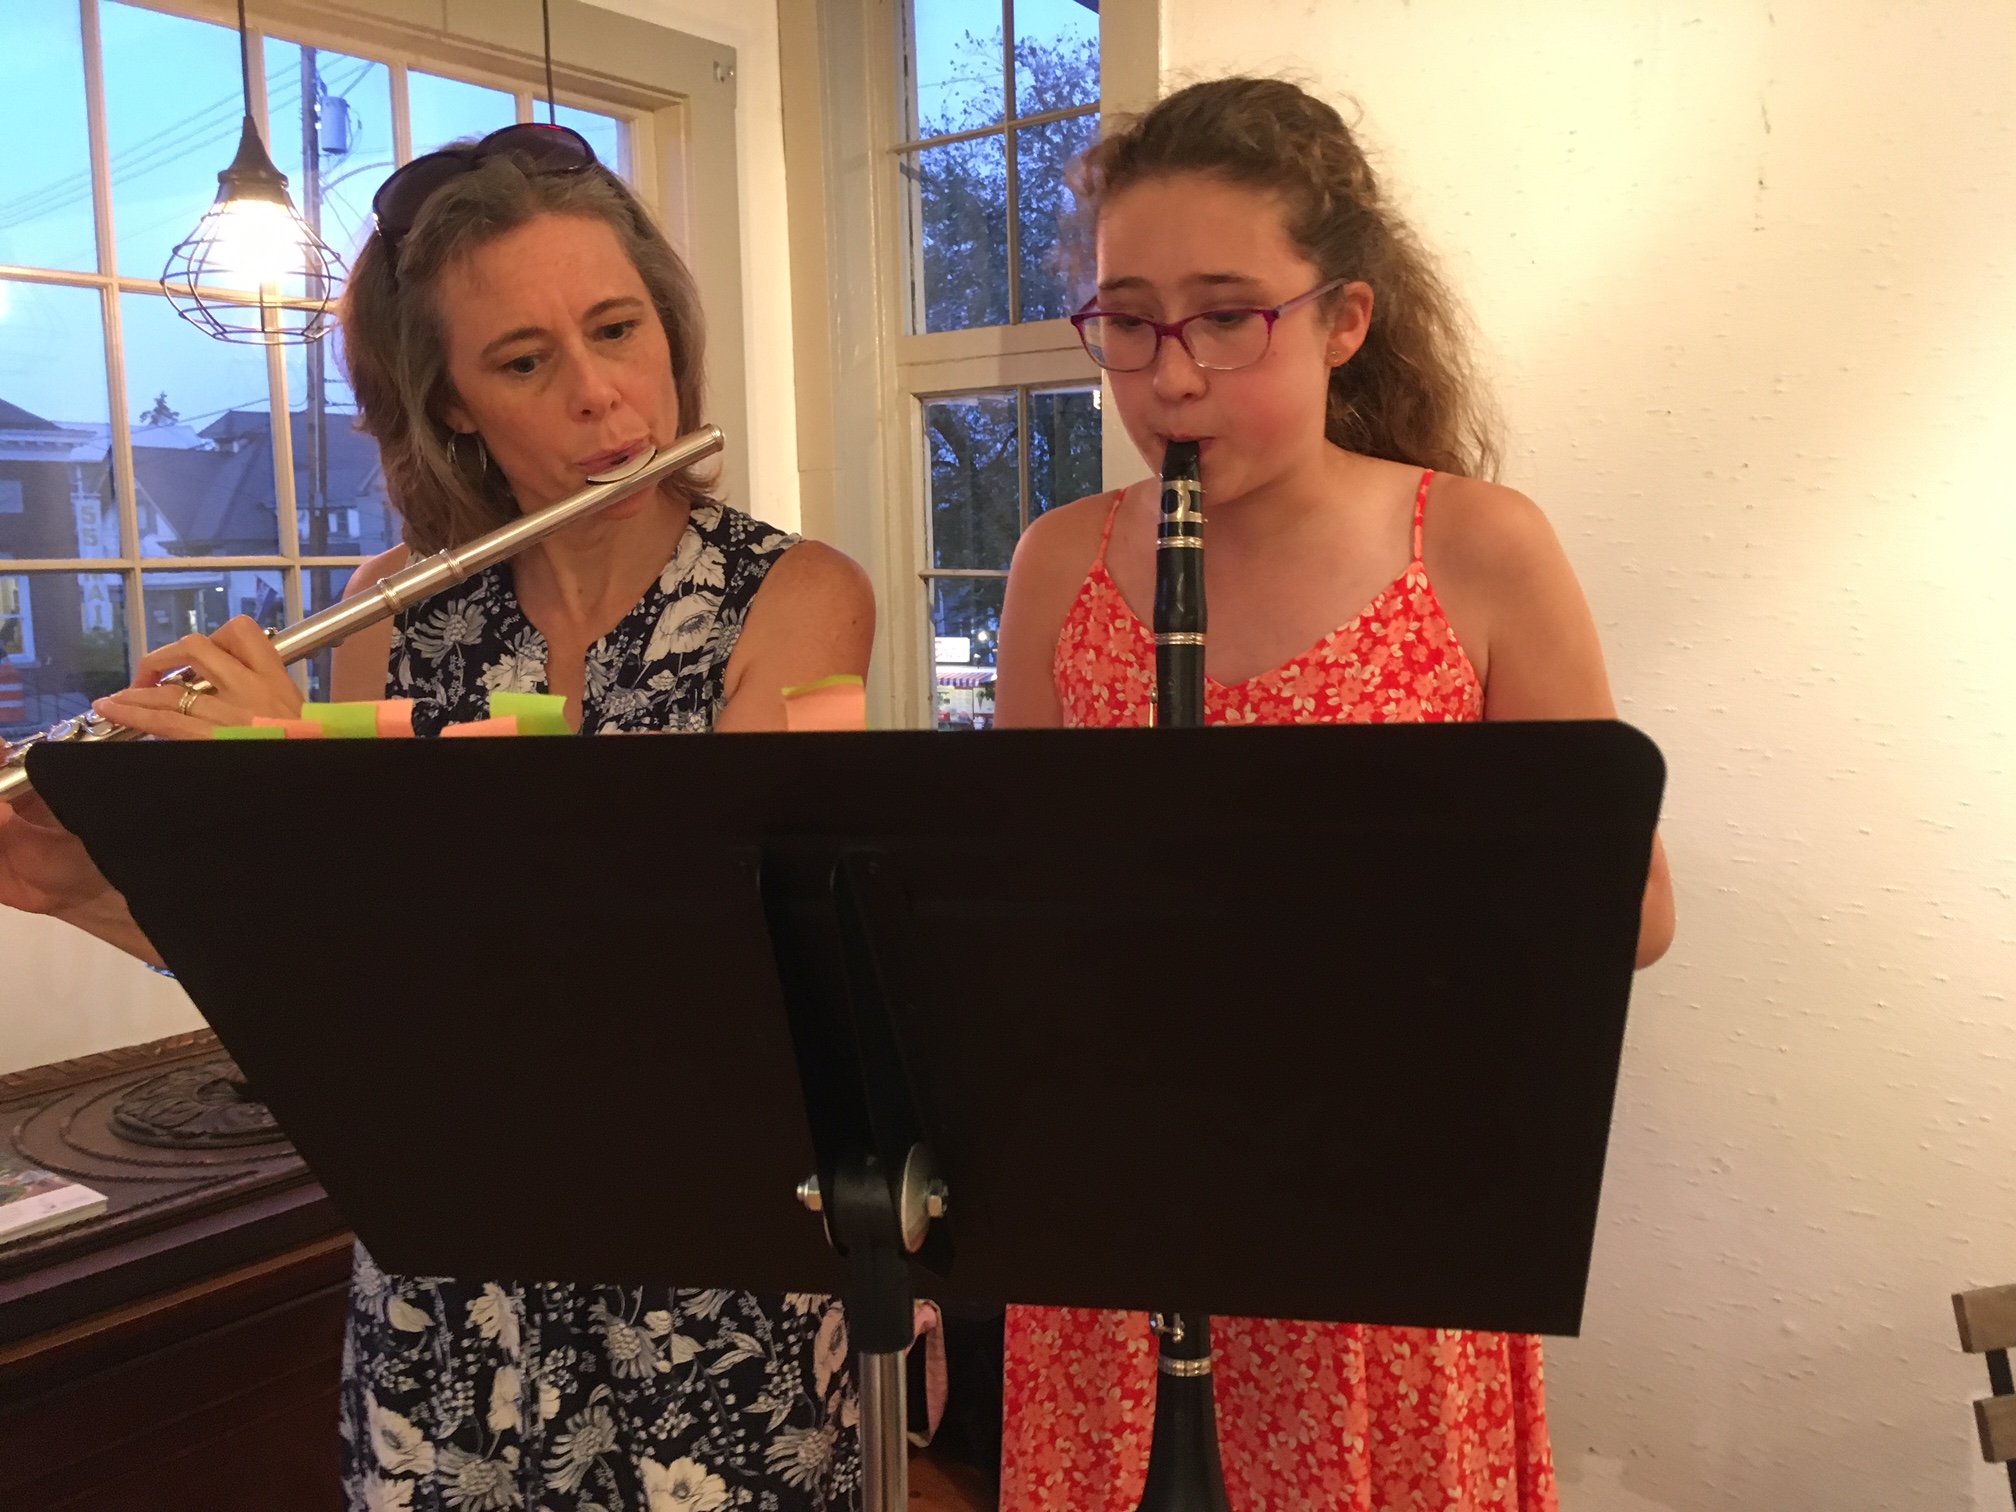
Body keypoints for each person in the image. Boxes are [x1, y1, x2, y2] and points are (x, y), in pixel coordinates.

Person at [0, 125, 871, 1512]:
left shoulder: (804, 601)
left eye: (618, 329)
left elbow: (729, 999)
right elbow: (356, 1021)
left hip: (715, 1285)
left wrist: (310, 812)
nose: (605, 400)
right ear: (453, 405)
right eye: (525, 362)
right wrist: (106, 879)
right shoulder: (388, 619)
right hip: (450, 1300)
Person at [993, 78, 1676, 1512]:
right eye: (1128, 321)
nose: (1173, 377)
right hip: (1124, 1238)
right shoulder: (1058, 563)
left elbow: (1635, 909)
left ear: (1343, 318)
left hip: (1377, 1219)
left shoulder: (1477, 547)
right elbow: (1008, 901)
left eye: (1230, 316)